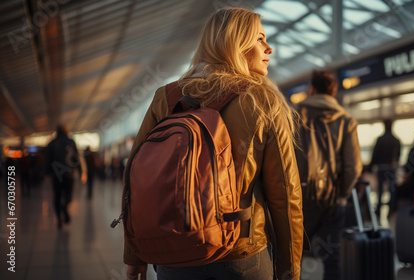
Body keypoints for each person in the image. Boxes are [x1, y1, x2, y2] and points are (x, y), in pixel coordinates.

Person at [124, 7, 303, 280]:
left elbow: (135, 179)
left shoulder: (166, 97)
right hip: (242, 255)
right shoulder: (262, 99)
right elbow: (285, 194)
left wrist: (135, 255)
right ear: (236, 43)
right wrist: (290, 270)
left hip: (175, 253)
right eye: (259, 39)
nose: (269, 49)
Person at [296, 70, 363, 279]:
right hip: (333, 202)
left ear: (312, 89)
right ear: (333, 92)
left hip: (300, 198)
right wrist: (340, 194)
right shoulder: (346, 121)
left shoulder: (295, 116)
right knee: (333, 258)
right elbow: (353, 167)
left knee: (292, 255)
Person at [45, 124, 84, 229]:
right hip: (69, 174)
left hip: (56, 174)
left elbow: (48, 160)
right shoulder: (71, 142)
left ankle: (58, 219)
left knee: (57, 197)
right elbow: (76, 159)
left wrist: (47, 173)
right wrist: (80, 172)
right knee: (68, 196)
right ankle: (64, 208)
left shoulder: (51, 143)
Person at [369, 119, 401, 217]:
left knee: (380, 191)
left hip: (381, 167)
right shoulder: (395, 140)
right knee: (391, 190)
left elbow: (375, 154)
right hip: (391, 167)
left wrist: (371, 166)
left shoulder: (380, 139)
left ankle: (378, 211)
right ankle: (390, 211)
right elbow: (399, 155)